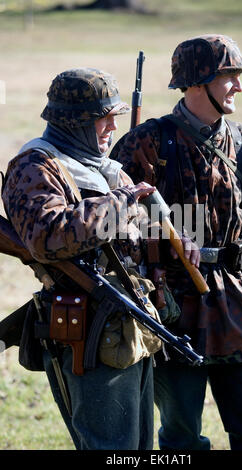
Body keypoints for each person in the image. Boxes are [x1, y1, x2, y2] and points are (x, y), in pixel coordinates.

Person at [110, 35, 242, 450]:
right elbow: (114, 231)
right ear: (198, 82)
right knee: (180, 438)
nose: (239, 87)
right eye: (229, 76)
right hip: (170, 309)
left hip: (238, 306)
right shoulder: (146, 143)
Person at [1, 68, 160, 450]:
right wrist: (123, 201)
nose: (111, 126)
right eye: (102, 118)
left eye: (114, 117)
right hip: (87, 331)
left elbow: (140, 235)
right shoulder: (35, 166)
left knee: (138, 448)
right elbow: (48, 237)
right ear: (74, 122)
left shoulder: (104, 167)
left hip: (129, 327)